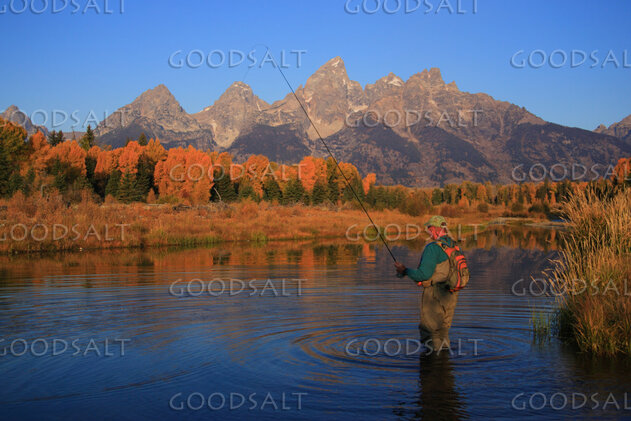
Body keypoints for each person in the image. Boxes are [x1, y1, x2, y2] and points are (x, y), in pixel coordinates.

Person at [395, 215, 459, 352]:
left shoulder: (433, 248)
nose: (428, 232)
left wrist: (405, 270)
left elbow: (424, 274)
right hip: (451, 295)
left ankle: (433, 362)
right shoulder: (453, 245)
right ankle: (445, 361)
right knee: (443, 331)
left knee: (430, 332)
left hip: (434, 295)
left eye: (429, 228)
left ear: (435, 229)